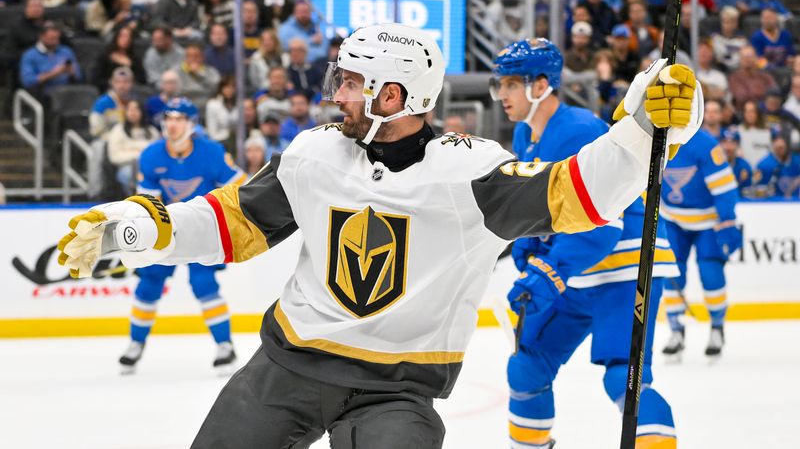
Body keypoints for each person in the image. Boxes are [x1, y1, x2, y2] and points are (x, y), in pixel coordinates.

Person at [57, 23, 701, 449]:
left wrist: (647, 131)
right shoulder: (312, 154)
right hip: (286, 367)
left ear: (392, 96)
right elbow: (231, 223)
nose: (336, 93)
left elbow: (580, 193)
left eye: (351, 82)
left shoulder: (471, 171)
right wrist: (135, 230)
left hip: (398, 390)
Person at [491, 38, 679, 449]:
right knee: (527, 366)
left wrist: (548, 272)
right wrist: (529, 248)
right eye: (498, 84)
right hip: (578, 270)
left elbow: (603, 224)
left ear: (540, 86)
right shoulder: (526, 135)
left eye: (509, 84)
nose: (500, 94)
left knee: (623, 377)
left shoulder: (579, 129)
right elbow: (541, 207)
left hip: (624, 264)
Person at [114, 98, 246, 373]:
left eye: (179, 119)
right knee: (149, 284)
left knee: (203, 283)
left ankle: (225, 346)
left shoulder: (211, 152)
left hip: (203, 230)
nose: (171, 125)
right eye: (168, 118)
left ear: (192, 124)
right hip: (166, 230)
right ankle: (135, 344)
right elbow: (148, 203)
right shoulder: (151, 155)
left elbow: (240, 187)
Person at [661, 121, 742, 359]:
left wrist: (727, 221)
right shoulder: (656, 139)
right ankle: (676, 330)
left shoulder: (705, 144)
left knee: (710, 273)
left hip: (709, 222)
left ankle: (717, 328)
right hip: (672, 219)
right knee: (672, 275)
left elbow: (724, 188)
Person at [106, 99, 159, 193]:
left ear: (142, 112)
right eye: (130, 109)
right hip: (127, 167)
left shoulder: (152, 131)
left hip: (148, 167)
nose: (133, 112)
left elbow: (157, 154)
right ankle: (133, 199)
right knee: (127, 173)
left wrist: (131, 150)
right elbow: (114, 156)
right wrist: (138, 155)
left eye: (136, 109)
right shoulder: (118, 130)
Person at [19, 21, 82, 100]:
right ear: (41, 36)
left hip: (68, 91)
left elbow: (79, 76)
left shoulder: (66, 51)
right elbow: (28, 82)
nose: (55, 42)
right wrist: (53, 73)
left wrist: (72, 73)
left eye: (57, 38)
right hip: (42, 94)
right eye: (51, 39)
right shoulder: (30, 55)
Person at [729, 45, 778, 111]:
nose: (748, 60)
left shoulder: (765, 76)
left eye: (750, 57)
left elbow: (775, 93)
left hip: (769, 111)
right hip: (747, 113)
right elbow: (742, 98)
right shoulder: (735, 78)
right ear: (740, 60)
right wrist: (764, 94)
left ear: (756, 58)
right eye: (744, 57)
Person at [754, 133, 800, 198]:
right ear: (772, 143)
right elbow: (758, 191)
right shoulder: (764, 165)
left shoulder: (797, 161)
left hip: (796, 204)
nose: (781, 144)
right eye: (777, 141)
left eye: (783, 140)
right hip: (773, 205)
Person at [719, 128, 753, 192]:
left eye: (732, 142)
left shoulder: (744, 166)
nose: (728, 147)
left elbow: (747, 191)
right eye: (724, 142)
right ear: (719, 144)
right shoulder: (712, 165)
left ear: (738, 145)